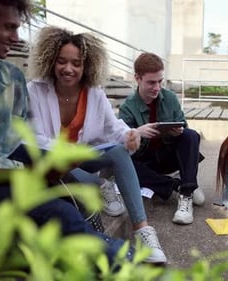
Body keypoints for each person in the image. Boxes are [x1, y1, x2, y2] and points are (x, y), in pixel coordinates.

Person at [0, 0, 131, 266]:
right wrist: (21, 178)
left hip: (10, 182)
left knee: (72, 193)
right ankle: (115, 259)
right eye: (9, 27)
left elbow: (18, 144)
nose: (16, 37)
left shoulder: (10, 78)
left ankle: (109, 252)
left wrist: (51, 164)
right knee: (59, 214)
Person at [27, 26, 166, 263]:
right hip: (54, 166)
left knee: (120, 151)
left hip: (84, 158)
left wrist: (129, 135)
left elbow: (114, 128)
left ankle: (142, 230)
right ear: (50, 60)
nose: (68, 69)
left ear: (86, 65)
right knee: (83, 182)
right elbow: (34, 137)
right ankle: (102, 184)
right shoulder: (35, 91)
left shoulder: (94, 93)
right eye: (61, 61)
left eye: (76, 63)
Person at [118, 52, 204, 225]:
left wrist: (178, 130)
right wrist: (137, 133)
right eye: (151, 82)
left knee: (190, 135)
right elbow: (122, 147)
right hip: (145, 162)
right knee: (122, 166)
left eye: (160, 81)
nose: (157, 87)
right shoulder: (127, 108)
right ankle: (177, 186)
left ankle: (186, 194)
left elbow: (183, 125)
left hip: (168, 156)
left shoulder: (170, 98)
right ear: (137, 78)